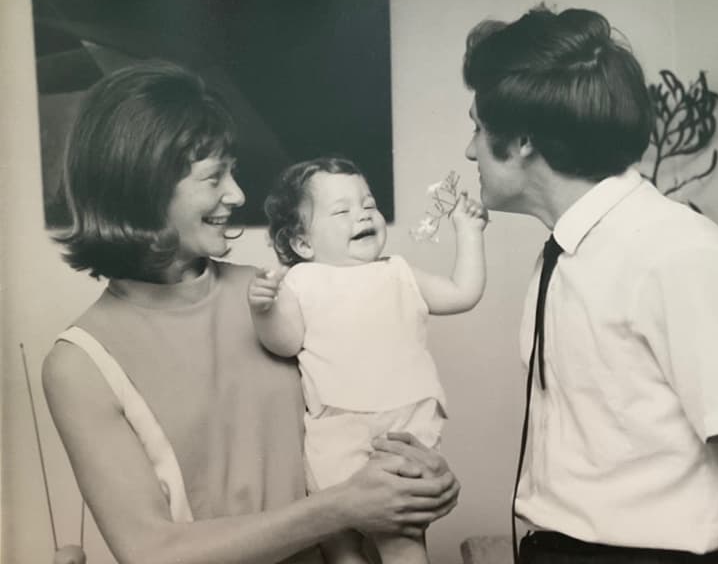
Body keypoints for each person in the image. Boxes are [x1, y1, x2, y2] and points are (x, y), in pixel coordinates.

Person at [42, 61, 460, 564]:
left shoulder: (277, 296)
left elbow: (365, 426)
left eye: (233, 171)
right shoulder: (80, 363)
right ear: (143, 186)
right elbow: (152, 552)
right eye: (214, 177)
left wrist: (419, 481)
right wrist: (343, 506)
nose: (238, 195)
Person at [461, 4, 718, 564]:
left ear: (522, 139)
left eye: (476, 126)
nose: (470, 149)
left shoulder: (681, 255)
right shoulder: (566, 253)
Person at [247, 157, 487, 563]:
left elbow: (462, 293)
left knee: (402, 535)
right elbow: (285, 343)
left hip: (404, 427)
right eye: (342, 211)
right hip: (337, 424)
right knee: (338, 536)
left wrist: (469, 233)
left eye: (369, 204)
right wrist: (263, 309)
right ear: (303, 243)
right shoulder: (302, 280)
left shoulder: (398, 271)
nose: (363, 214)